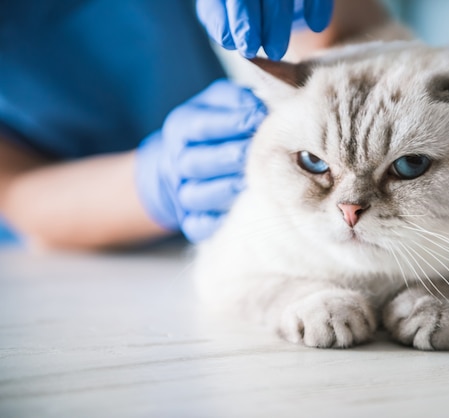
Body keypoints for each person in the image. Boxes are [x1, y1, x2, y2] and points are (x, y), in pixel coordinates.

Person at [0, 0, 391, 249]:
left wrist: (317, 19)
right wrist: (159, 180)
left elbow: (363, 34)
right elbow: (12, 190)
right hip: (59, 256)